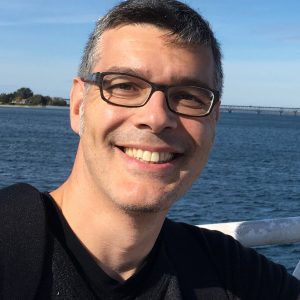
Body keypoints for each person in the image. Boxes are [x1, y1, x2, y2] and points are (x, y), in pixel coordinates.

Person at [0, 0, 300, 299]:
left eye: (189, 96)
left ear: (214, 118)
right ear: (78, 104)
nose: (156, 118)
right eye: (125, 86)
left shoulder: (232, 275)